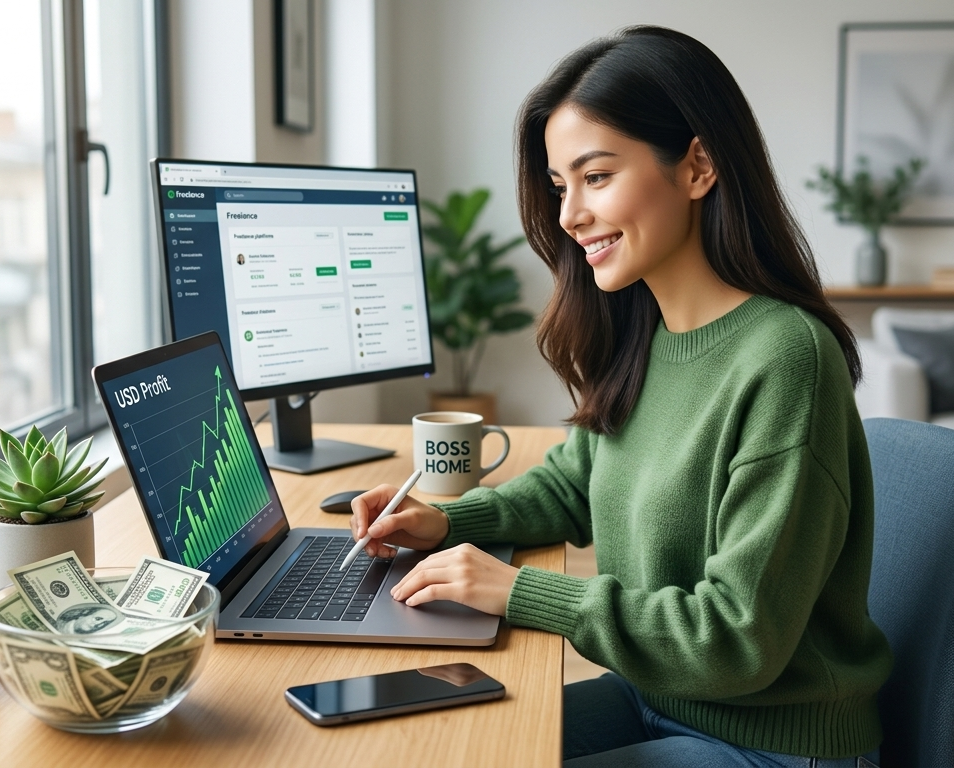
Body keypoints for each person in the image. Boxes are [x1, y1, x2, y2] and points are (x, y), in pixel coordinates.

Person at [349, 26, 890, 768]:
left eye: (596, 177)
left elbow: (737, 640)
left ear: (698, 165)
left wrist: (518, 591)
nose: (568, 215)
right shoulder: (646, 332)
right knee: (441, 748)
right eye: (559, 186)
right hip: (656, 698)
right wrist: (444, 521)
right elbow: (574, 484)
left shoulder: (786, 358)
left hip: (771, 741)